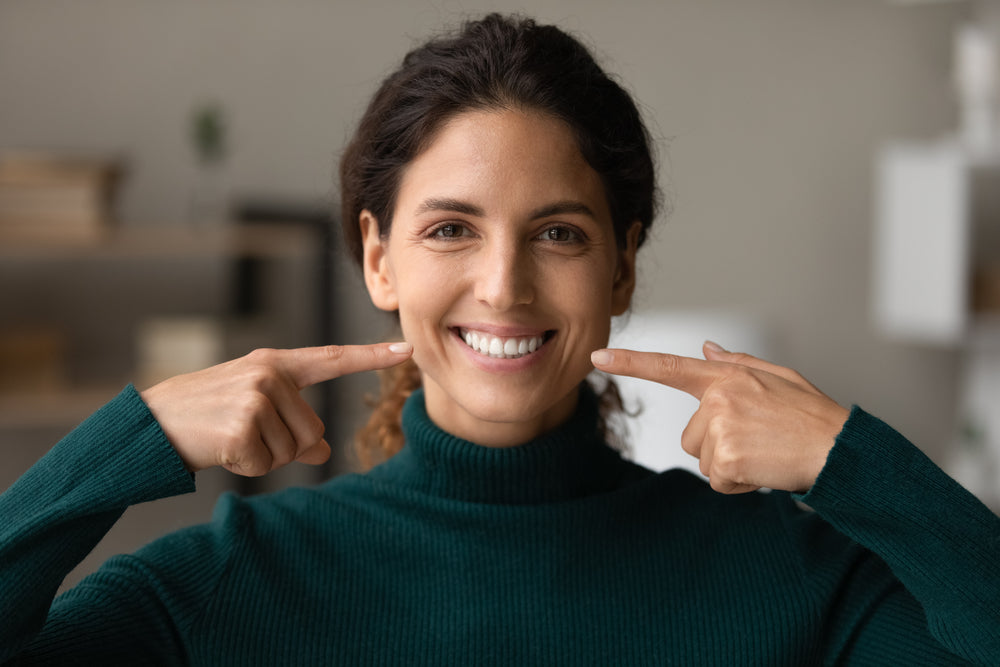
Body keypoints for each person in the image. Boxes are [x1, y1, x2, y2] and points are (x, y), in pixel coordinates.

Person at [1, 13, 998, 665]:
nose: (503, 285)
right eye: (450, 229)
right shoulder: (233, 583)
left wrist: (848, 458)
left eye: (558, 233)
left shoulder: (788, 576)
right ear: (378, 259)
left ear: (620, 265)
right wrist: (133, 438)